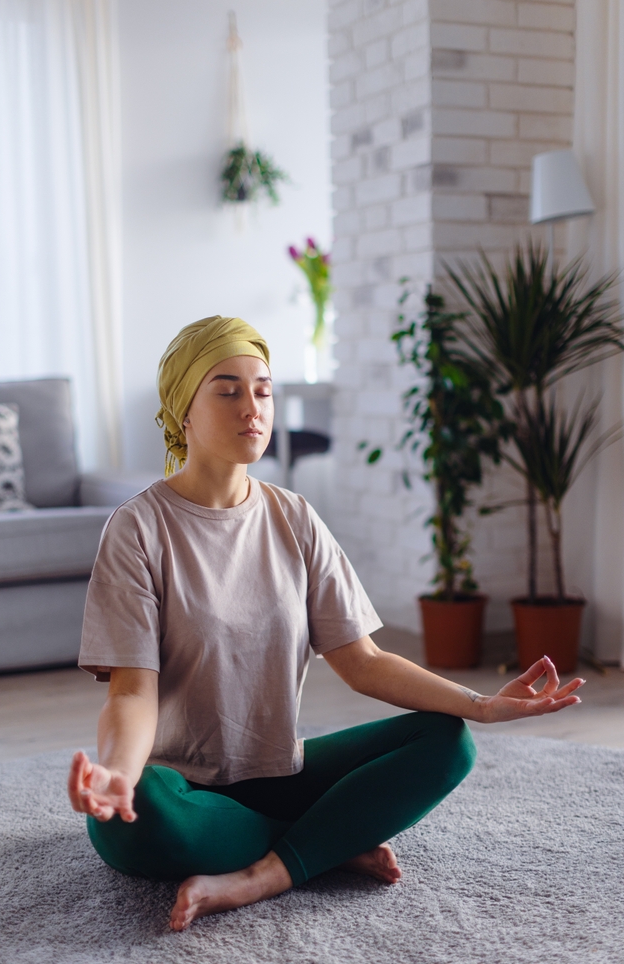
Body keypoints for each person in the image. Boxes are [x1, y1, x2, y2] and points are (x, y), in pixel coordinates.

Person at [68, 315, 584, 933]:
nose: (252, 407)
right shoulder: (138, 529)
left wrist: (480, 704)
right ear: (184, 408)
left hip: (280, 774)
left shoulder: (294, 516)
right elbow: (132, 692)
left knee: (446, 743)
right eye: (227, 389)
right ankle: (328, 842)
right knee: (137, 819)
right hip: (180, 793)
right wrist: (117, 779)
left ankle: (266, 872)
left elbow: (361, 660)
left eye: (262, 389)